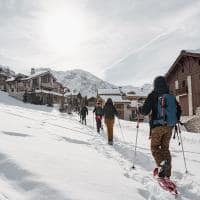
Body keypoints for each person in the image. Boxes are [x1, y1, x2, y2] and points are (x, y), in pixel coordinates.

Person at [139, 76, 181, 178]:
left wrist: (139, 109)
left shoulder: (153, 95)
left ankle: (162, 165)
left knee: (154, 147)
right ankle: (167, 175)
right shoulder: (170, 95)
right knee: (165, 149)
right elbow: (179, 110)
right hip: (169, 127)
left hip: (157, 127)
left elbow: (144, 111)